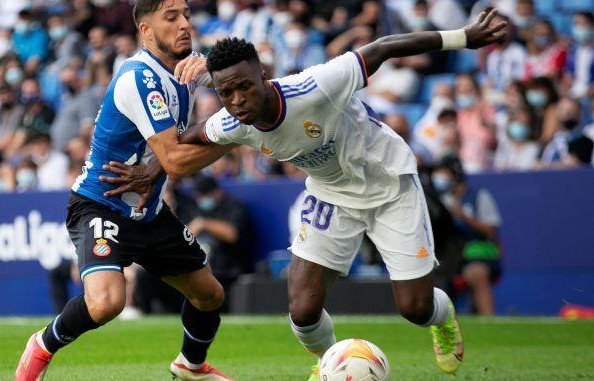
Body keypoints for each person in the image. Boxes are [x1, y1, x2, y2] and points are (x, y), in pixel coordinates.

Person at [174, 11, 507, 379]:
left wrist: (462, 37)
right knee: (302, 311)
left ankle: (442, 319)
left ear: (264, 75)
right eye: (226, 93)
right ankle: (328, 363)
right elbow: (183, 143)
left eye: (245, 87)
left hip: (389, 185)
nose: (237, 100)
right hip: (331, 194)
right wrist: (147, 170)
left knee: (415, 308)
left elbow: (384, 46)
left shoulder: (316, 85)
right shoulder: (232, 121)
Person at [15, 1, 234, 381]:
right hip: (102, 204)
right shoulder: (139, 78)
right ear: (146, 30)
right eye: (171, 17)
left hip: (148, 211)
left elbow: (253, 84)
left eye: (186, 15)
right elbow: (179, 161)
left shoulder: (189, 66)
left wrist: (215, 70)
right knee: (106, 302)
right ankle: (43, 344)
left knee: (209, 294)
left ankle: (191, 366)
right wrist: (238, 137)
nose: (185, 24)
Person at [431, 157, 502, 315]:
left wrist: (463, 216)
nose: (439, 179)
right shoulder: (437, 200)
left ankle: (488, 320)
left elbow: (491, 230)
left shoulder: (479, 196)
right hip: (447, 256)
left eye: (443, 174)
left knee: (476, 272)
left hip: (476, 253)